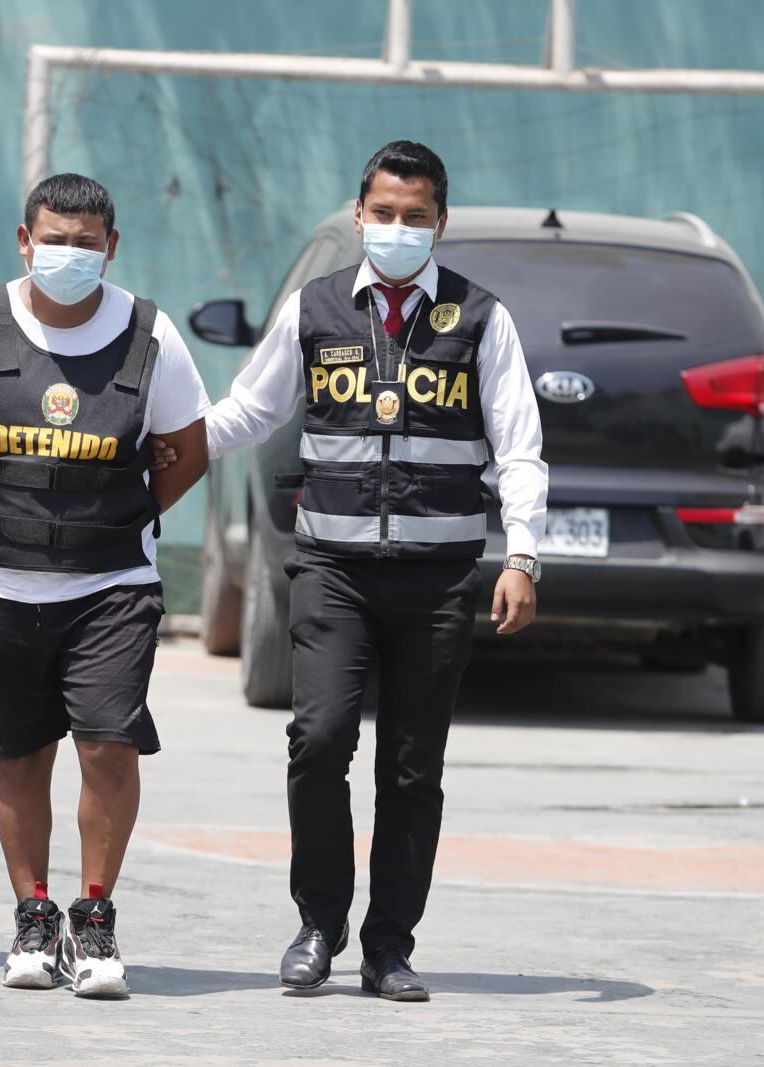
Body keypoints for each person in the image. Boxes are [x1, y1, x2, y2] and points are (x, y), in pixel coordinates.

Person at [201, 141, 548, 1000]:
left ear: (440, 223)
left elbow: (520, 446)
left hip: (437, 577)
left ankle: (389, 944)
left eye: (416, 216)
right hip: (333, 567)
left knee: (412, 764)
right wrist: (151, 435)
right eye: (383, 213)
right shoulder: (313, 308)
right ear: (359, 215)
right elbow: (250, 408)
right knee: (318, 742)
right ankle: (318, 924)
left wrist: (524, 555)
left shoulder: (480, 318)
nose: (397, 229)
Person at [0, 173, 210, 997]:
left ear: (111, 247)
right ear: (23, 239)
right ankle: (34, 914)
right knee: (19, 754)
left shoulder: (151, 335)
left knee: (108, 744)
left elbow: (186, 449)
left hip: (111, 585)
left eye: (84, 242)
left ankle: (96, 918)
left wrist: (123, 521)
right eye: (53, 238)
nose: (67, 254)